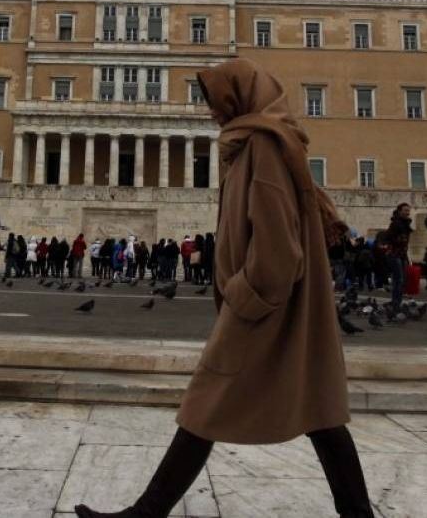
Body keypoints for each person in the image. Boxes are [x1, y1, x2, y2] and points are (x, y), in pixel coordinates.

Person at [77, 59, 373, 518]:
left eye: (216, 100)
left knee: (205, 405)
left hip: (265, 306)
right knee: (319, 411)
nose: (211, 110)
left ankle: (146, 514)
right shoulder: (255, 143)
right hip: (281, 305)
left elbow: (278, 247)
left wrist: (245, 294)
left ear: (240, 96)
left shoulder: (263, 146)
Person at [381, 203, 413, 308]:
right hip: (394, 254)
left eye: (408, 210)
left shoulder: (405, 223)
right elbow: (388, 237)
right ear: (399, 211)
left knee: (400, 279)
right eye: (405, 210)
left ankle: (396, 301)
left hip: (402, 254)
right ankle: (396, 302)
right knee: (399, 279)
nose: (407, 212)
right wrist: (400, 239)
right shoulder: (396, 223)